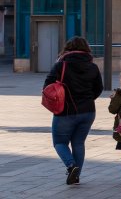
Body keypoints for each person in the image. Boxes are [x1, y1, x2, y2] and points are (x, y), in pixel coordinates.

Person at [43, 36, 103, 185]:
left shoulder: (61, 65)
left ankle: (71, 166)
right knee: (78, 143)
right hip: (88, 111)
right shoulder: (93, 67)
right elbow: (99, 88)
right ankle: (76, 176)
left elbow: (47, 86)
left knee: (59, 142)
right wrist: (88, 99)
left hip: (66, 111)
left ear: (67, 49)